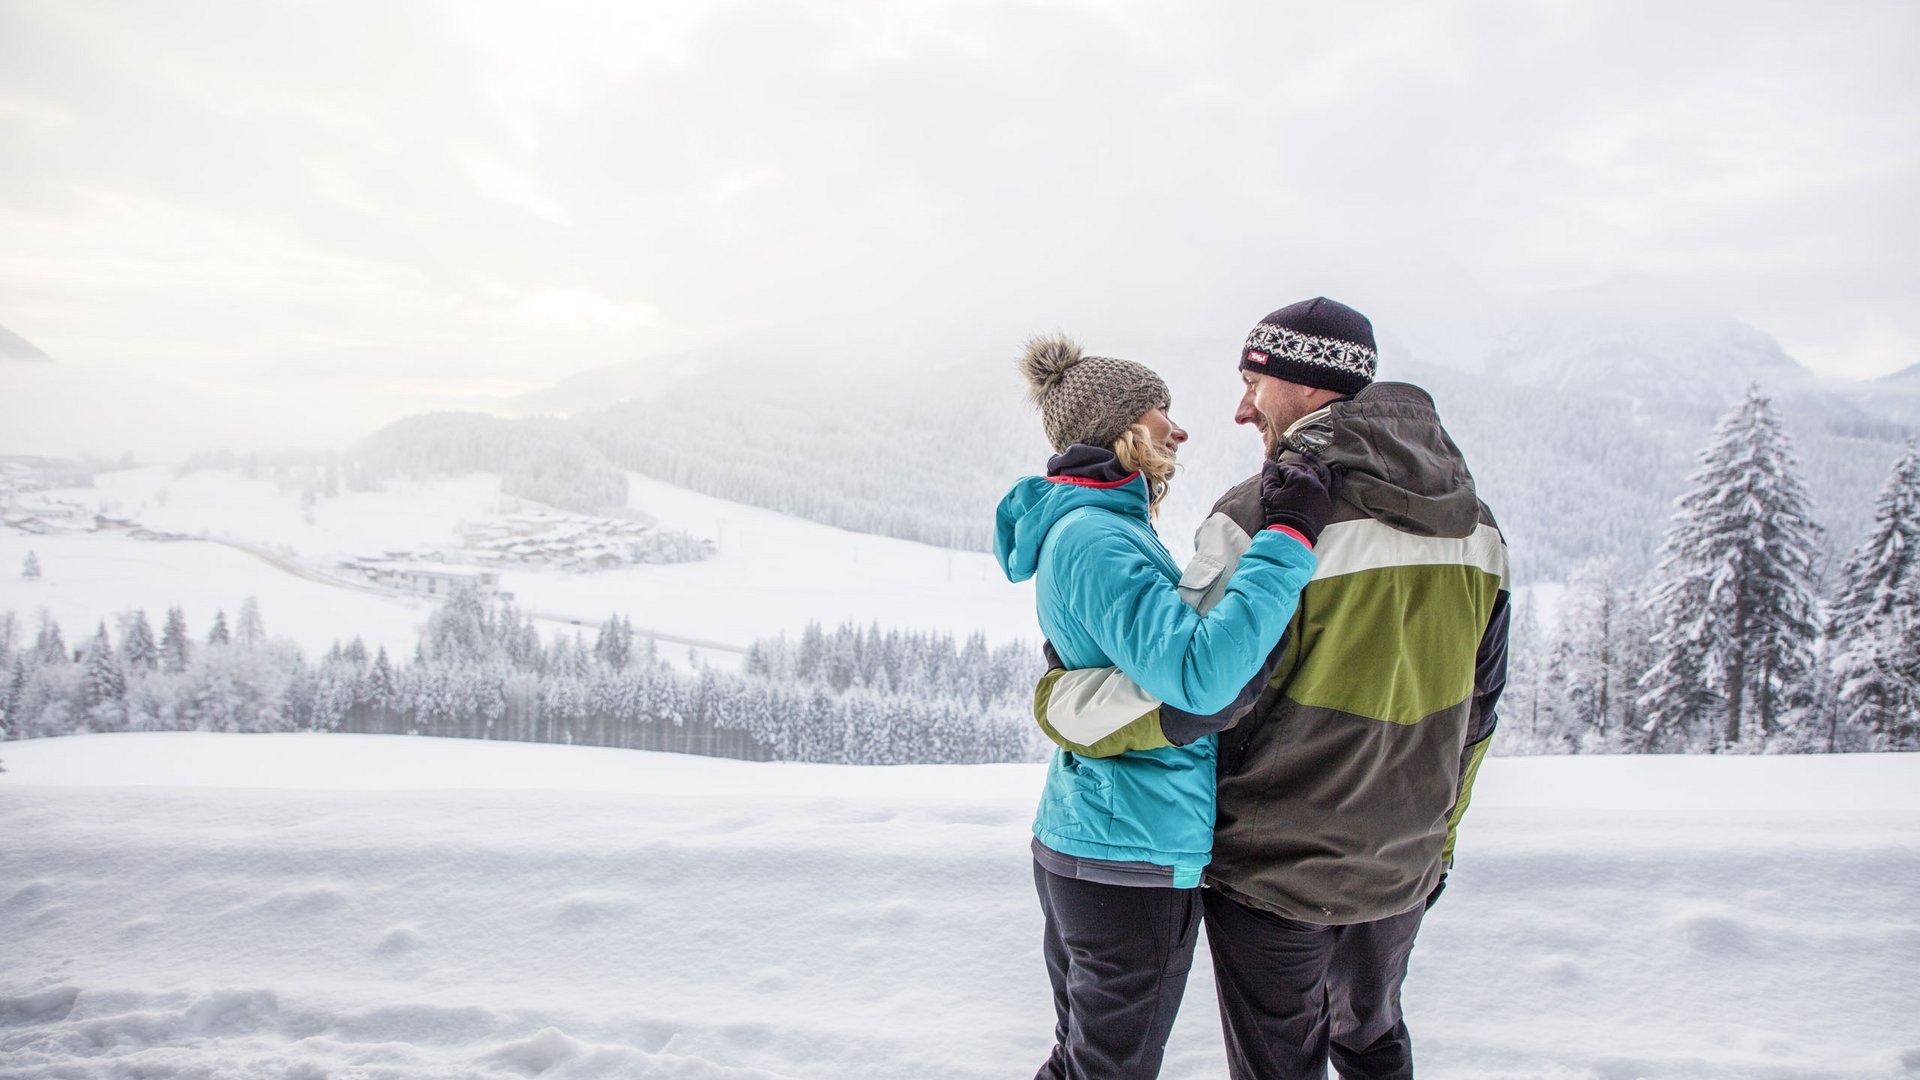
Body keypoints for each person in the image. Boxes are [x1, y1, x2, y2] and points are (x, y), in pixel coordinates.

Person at [1031, 297, 1511, 1080]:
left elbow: (1195, 689)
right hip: (1404, 867)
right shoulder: (1477, 527)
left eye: (1253, 382)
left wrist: (1062, 702)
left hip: (1276, 871)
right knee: (1372, 1041)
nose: (1240, 407)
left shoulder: (1263, 515)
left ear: (1307, 384)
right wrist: (1439, 846)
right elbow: (1480, 711)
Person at [993, 333, 1341, 1080]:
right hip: (1127, 852)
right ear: (1119, 426)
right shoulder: (1098, 540)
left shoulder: (1102, 526)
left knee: (1086, 1061)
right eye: (1162, 411)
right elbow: (1201, 675)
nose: (1178, 429)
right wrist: (1287, 536)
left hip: (1106, 837)